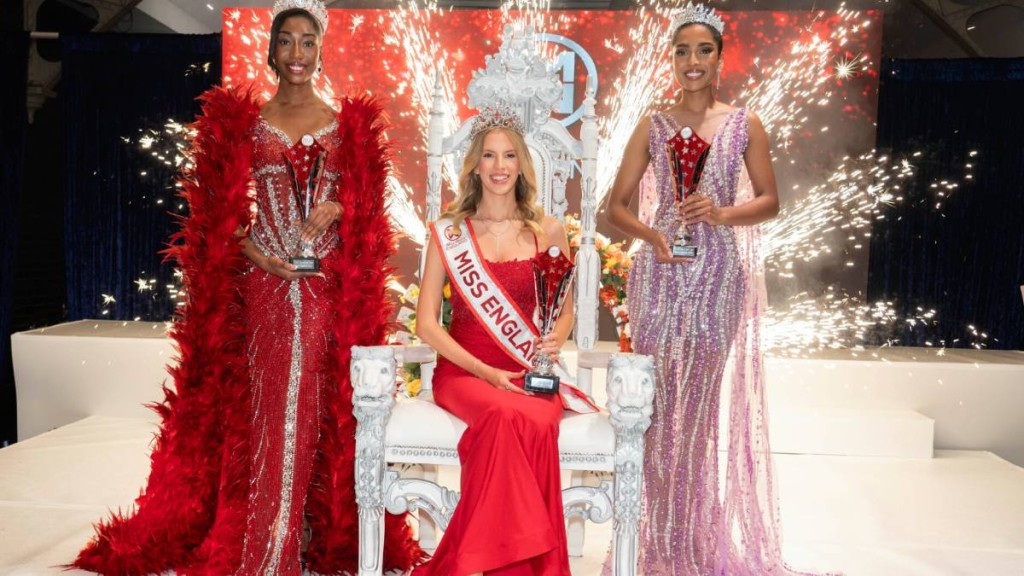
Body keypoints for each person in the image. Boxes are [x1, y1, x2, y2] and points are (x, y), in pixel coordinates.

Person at [71, 2, 422, 574]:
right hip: (263, 285)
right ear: (272, 51)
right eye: (287, 41)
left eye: (307, 42)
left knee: (313, 408)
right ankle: (265, 545)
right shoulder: (248, 121)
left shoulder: (345, 124)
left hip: (324, 288)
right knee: (263, 408)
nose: (297, 53)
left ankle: (299, 531)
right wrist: (258, 255)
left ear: (321, 51)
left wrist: (338, 206)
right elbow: (218, 213)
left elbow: (368, 212)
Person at [604, 3, 832, 575]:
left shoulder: (744, 123)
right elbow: (615, 207)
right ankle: (653, 545)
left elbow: (770, 201)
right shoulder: (653, 125)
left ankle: (690, 543)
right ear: (671, 59)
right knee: (656, 410)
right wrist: (653, 236)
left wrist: (721, 213)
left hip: (717, 279)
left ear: (720, 58)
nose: (693, 61)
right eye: (682, 51)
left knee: (698, 414)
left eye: (703, 50)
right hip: (660, 274)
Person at [412, 107, 579, 576]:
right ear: (475, 166)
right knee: (505, 415)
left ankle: (483, 562)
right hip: (464, 373)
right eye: (489, 156)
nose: (499, 166)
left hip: (526, 371)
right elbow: (426, 324)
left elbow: (563, 310)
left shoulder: (548, 231)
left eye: (509, 156)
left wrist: (554, 340)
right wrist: (484, 372)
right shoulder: (449, 232)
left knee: (535, 421)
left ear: (522, 165)